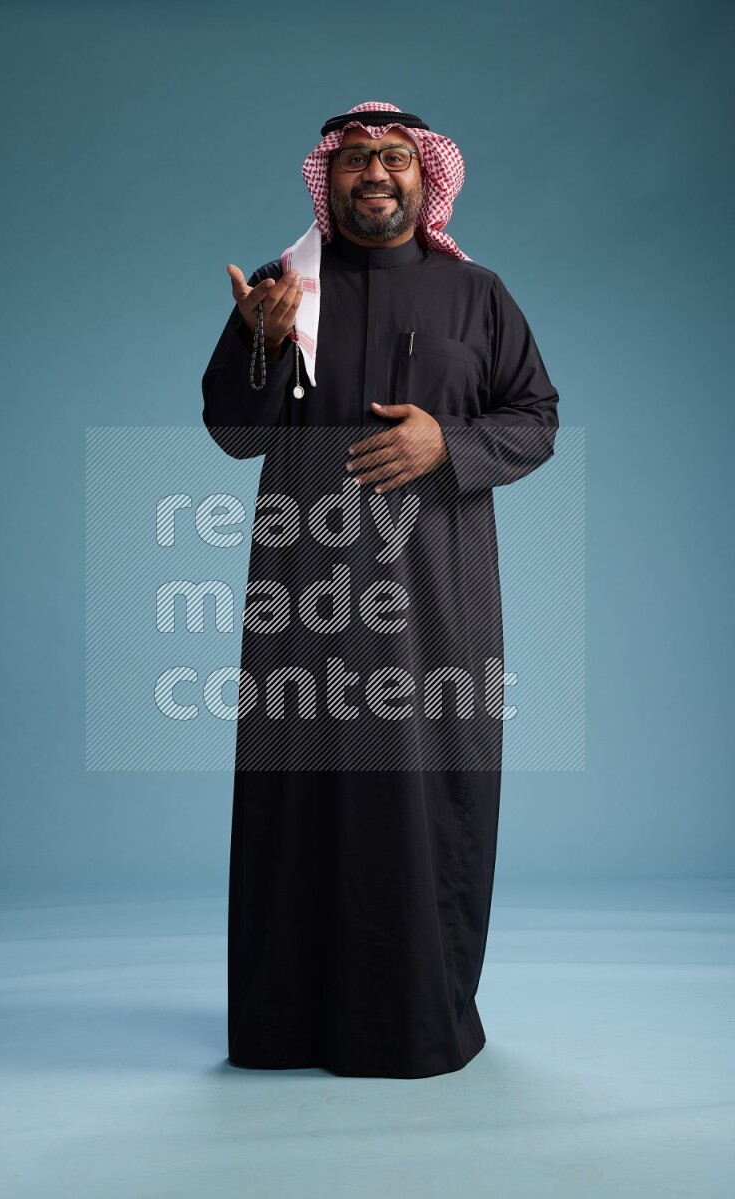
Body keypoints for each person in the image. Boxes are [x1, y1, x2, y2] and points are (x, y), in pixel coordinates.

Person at [201, 101, 560, 1079]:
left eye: (393, 158)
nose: (373, 173)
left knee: (420, 798)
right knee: (296, 797)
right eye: (354, 158)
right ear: (329, 177)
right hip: (302, 601)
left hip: (433, 605)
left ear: (423, 177)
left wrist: (449, 440)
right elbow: (234, 431)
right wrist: (261, 347)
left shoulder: (477, 296)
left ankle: (412, 1018)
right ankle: (283, 1023)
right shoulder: (282, 289)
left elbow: (535, 415)